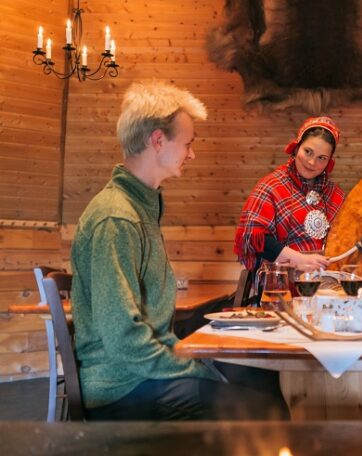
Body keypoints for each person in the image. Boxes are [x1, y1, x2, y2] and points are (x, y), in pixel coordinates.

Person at [70, 80, 287, 420]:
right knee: (258, 410)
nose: (192, 153)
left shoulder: (139, 207)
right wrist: (195, 370)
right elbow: (123, 339)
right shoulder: (116, 217)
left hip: (143, 374)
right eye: (187, 143)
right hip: (122, 387)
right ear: (158, 140)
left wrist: (199, 363)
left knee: (260, 380)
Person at [234, 116, 345, 272]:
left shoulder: (336, 194)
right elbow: (253, 237)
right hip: (278, 284)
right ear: (296, 147)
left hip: (327, 284)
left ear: (329, 162)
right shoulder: (271, 186)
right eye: (308, 152)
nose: (312, 162)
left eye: (321, 158)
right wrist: (299, 261)